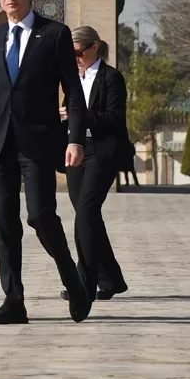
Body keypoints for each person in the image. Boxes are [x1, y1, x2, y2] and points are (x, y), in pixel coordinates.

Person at [0, 0, 91, 325]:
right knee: (5, 222)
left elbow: (74, 92)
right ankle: (14, 301)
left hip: (37, 143)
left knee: (40, 216)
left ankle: (72, 278)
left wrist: (75, 138)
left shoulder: (53, 35)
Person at [60, 26, 129, 304]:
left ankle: (83, 282)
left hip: (101, 151)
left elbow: (114, 119)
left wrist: (80, 115)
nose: (75, 58)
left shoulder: (111, 78)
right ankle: (111, 279)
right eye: (71, 54)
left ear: (94, 48)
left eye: (79, 53)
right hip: (75, 150)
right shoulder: (71, 79)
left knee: (86, 214)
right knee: (87, 216)